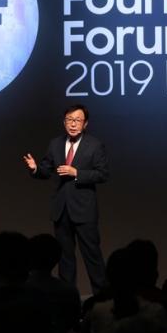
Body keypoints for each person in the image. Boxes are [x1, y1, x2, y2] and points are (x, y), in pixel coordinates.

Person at [23, 104, 109, 294]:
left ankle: (102, 298)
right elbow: (46, 170)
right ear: (64, 122)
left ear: (85, 124)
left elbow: (103, 174)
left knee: (92, 257)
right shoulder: (55, 144)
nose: (73, 124)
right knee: (65, 260)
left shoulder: (95, 145)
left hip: (84, 210)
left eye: (77, 120)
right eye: (69, 120)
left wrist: (77, 173)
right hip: (61, 210)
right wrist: (35, 169)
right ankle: (67, 298)